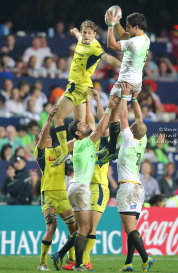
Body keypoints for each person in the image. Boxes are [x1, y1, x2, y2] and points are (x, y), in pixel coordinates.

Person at [52, 94, 117, 271]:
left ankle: (68, 258)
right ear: (78, 133)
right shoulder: (86, 143)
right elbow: (102, 127)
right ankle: (80, 264)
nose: (86, 124)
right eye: (81, 125)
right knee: (84, 228)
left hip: (78, 187)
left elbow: (91, 126)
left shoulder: (77, 143)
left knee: (84, 228)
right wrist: (108, 107)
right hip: (81, 188)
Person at [52, 20, 121, 166]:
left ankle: (64, 152)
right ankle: (81, 160)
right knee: (80, 129)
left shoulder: (95, 48)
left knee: (56, 118)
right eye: (85, 33)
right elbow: (79, 38)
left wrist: (123, 64)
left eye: (90, 33)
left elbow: (107, 58)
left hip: (76, 88)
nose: (86, 35)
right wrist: (76, 31)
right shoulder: (81, 39)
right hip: (84, 91)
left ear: (95, 34)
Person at [98, 11, 150, 163]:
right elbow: (123, 36)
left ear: (135, 27)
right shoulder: (144, 38)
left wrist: (110, 25)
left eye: (128, 27)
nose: (126, 30)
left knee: (114, 114)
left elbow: (111, 44)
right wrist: (118, 21)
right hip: (135, 81)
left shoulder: (135, 42)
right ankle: (111, 148)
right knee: (114, 115)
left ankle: (112, 150)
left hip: (126, 83)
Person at [115, 83, 154, 272]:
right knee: (129, 228)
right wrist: (136, 98)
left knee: (130, 229)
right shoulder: (142, 139)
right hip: (138, 187)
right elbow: (140, 119)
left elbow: (123, 116)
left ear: (131, 129)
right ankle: (128, 263)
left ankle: (146, 259)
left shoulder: (129, 139)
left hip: (128, 187)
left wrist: (125, 96)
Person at [34, 105, 77, 271]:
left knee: (74, 228)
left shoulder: (61, 150)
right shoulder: (41, 154)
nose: (48, 136)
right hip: (49, 194)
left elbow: (75, 142)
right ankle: (42, 263)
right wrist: (48, 119)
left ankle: (71, 259)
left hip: (62, 194)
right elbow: (43, 136)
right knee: (51, 227)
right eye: (43, 136)